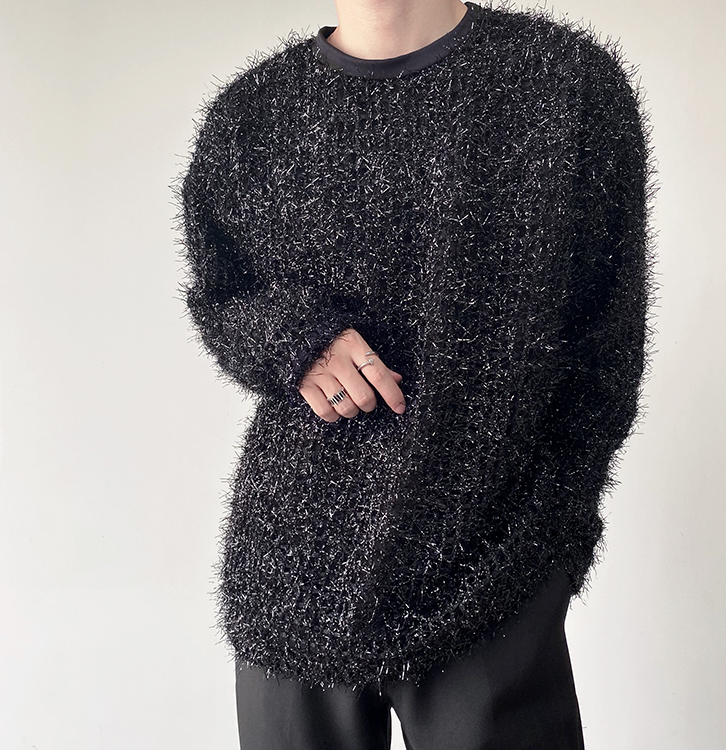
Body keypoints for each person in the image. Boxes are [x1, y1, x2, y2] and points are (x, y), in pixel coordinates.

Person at [176, 0, 656, 747]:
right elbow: (222, 292)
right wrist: (297, 339)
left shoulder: (567, 86)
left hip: (493, 571)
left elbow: (605, 344)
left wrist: (549, 545)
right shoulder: (251, 119)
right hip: (296, 573)